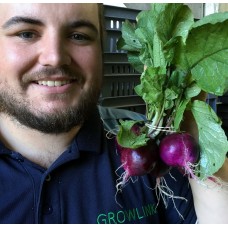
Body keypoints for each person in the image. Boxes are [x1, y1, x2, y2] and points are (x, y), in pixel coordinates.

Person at [0, 3, 227, 224]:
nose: (55, 57)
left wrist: (190, 123)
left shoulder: (152, 146)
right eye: (26, 34)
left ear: (101, 50)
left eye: (79, 35)